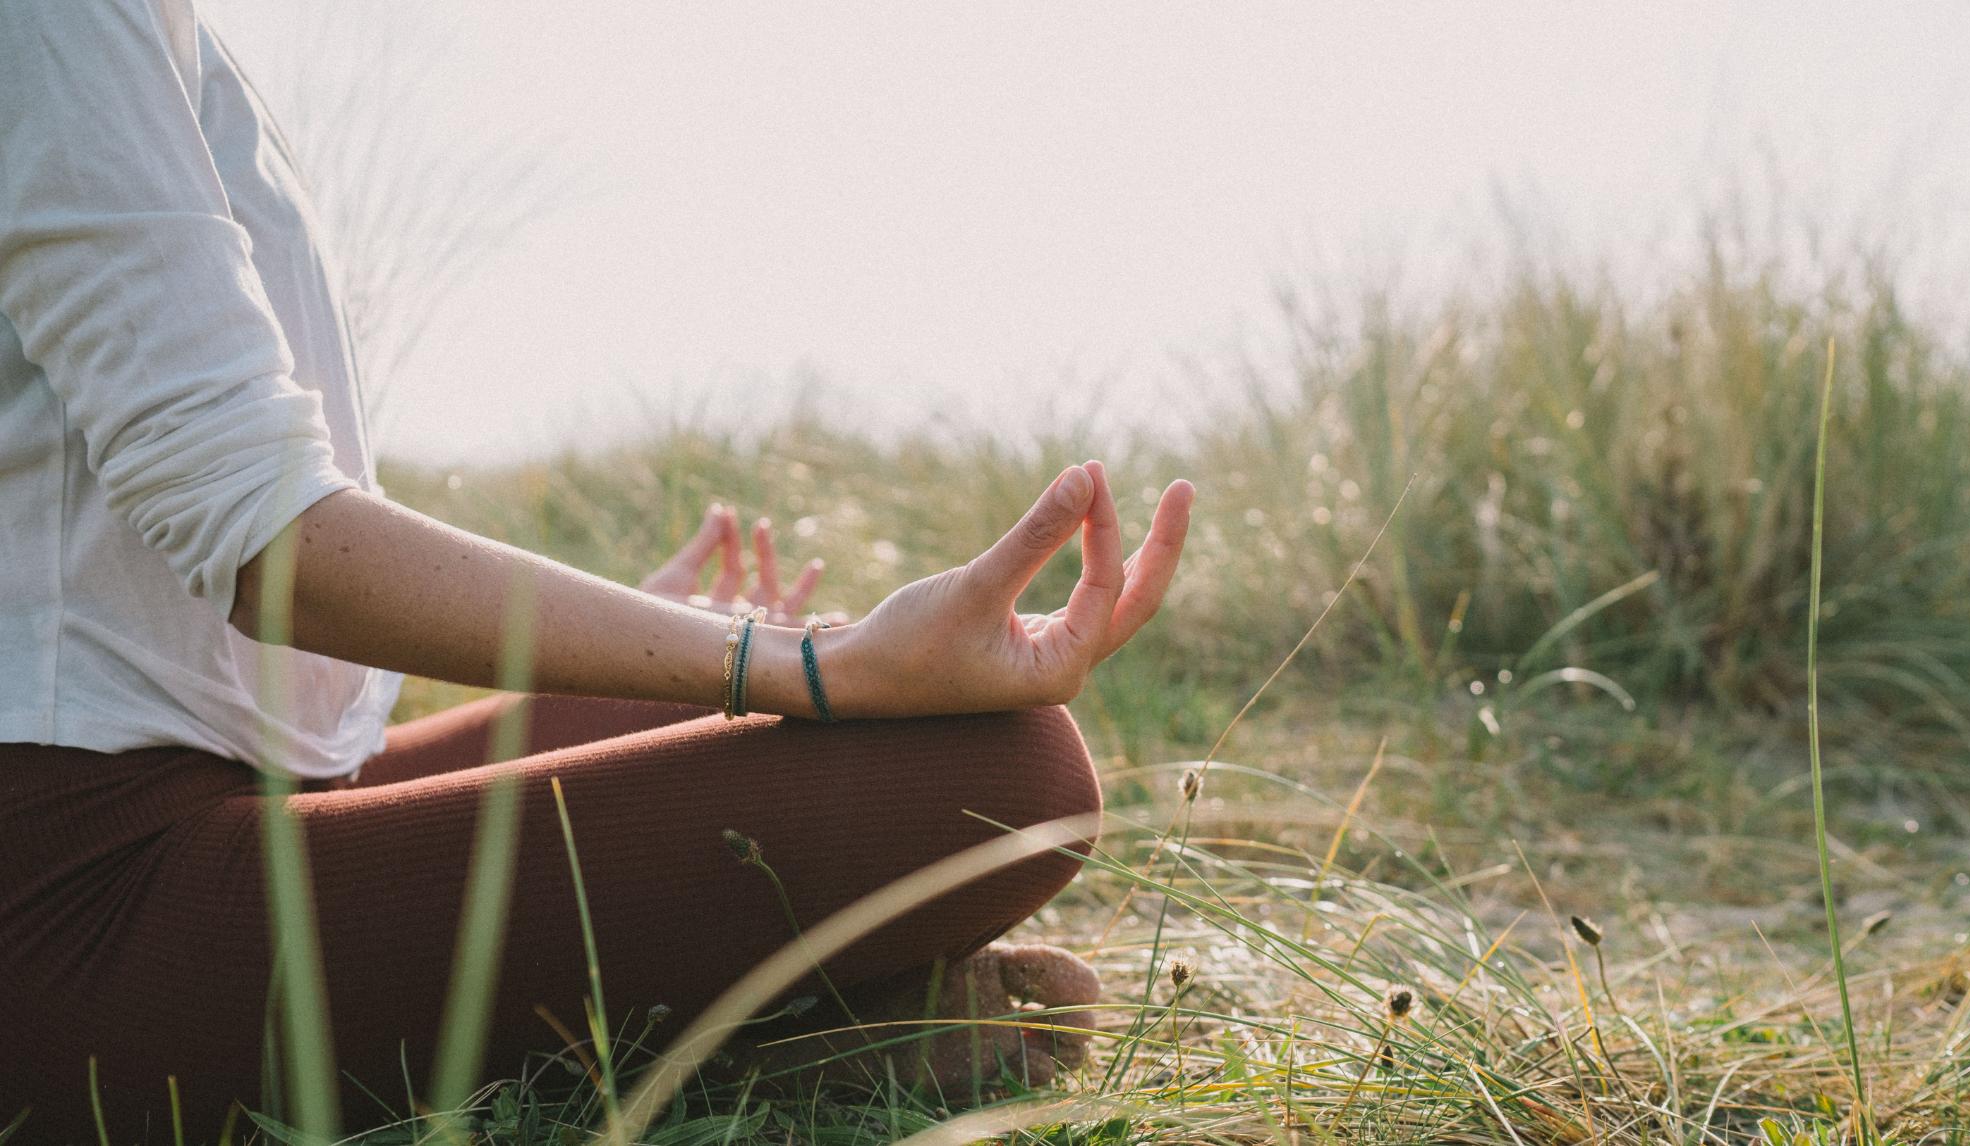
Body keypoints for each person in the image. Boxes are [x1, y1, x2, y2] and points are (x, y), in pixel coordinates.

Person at [0, 2, 1196, 1141]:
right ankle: (724, 1052)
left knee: (837, 721)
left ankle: (693, 1035)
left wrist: (643, 641)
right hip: (72, 899)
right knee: (997, 771)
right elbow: (270, 543)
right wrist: (809, 664)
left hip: (242, 783)